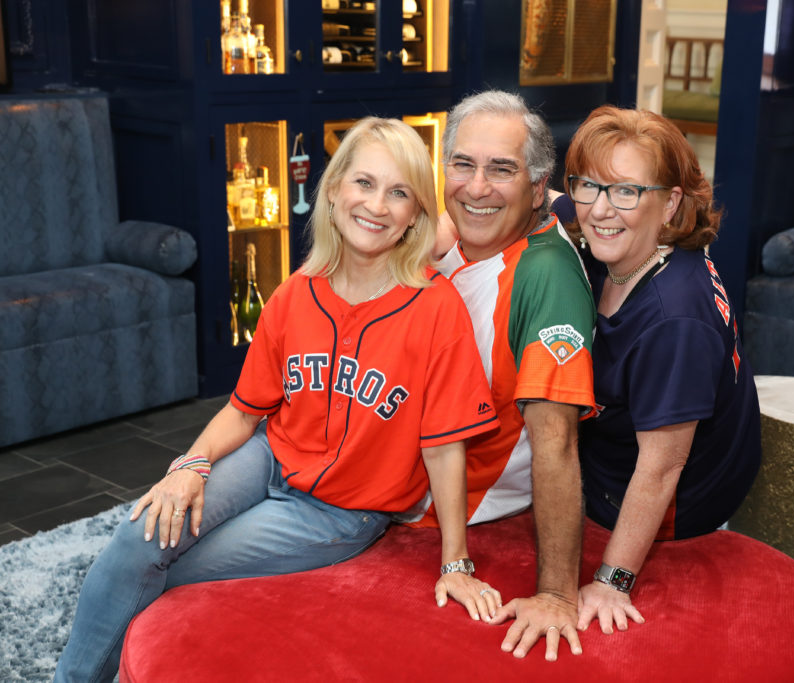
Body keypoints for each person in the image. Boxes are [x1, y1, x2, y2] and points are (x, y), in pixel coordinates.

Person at [54, 117, 501, 682]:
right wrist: (188, 467)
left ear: (417, 214)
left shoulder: (437, 310)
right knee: (138, 540)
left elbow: (443, 449)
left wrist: (456, 563)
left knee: (174, 566)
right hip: (268, 457)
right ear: (335, 190)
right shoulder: (295, 292)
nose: (377, 205)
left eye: (400, 192)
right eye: (363, 183)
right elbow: (245, 410)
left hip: (339, 510)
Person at [563, 106, 762, 635]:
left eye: (626, 191)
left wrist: (612, 579)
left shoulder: (674, 319)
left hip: (679, 497)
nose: (601, 209)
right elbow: (557, 202)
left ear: (671, 202)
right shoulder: (638, 243)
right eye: (590, 185)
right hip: (635, 446)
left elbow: (661, 468)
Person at [416, 90, 597, 661]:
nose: (477, 187)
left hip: (438, 501)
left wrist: (556, 594)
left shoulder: (545, 279)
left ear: (536, 186)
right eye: (463, 165)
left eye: (502, 170)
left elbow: (557, 443)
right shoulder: (461, 229)